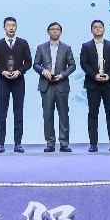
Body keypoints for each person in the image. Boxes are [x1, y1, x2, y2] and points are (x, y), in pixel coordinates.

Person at [0, 16, 31, 153]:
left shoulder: (23, 43)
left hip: (18, 81)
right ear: (4, 27)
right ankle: (1, 144)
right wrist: (2, 72)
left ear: (16, 27)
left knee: (18, 112)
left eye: (13, 25)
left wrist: (19, 71)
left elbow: (29, 62)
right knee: (2, 112)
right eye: (8, 25)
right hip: (3, 81)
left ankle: (18, 144)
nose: (11, 27)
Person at [79, 19, 110, 152]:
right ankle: (93, 144)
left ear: (104, 29)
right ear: (91, 30)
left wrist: (109, 75)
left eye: (100, 27)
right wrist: (94, 75)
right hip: (93, 84)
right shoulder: (86, 46)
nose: (98, 29)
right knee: (93, 113)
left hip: (109, 83)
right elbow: (84, 63)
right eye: (95, 27)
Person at [33, 22, 77, 152]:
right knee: (47, 115)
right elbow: (35, 64)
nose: (55, 31)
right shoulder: (41, 47)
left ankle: (64, 143)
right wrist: (43, 71)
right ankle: (50, 143)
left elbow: (72, 65)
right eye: (52, 29)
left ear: (60, 32)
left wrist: (62, 75)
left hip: (61, 84)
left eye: (57, 29)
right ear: (48, 32)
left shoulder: (66, 48)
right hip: (46, 85)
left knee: (63, 115)